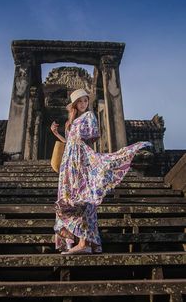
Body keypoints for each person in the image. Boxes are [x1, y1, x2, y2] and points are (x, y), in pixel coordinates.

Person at [50, 89, 152, 254]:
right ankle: (80, 241)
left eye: (85, 101)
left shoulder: (89, 116)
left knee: (83, 197)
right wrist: (56, 133)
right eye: (80, 101)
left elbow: (89, 138)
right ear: (74, 105)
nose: (84, 104)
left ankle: (84, 243)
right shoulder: (71, 122)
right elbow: (69, 142)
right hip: (68, 162)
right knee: (68, 199)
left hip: (80, 159)